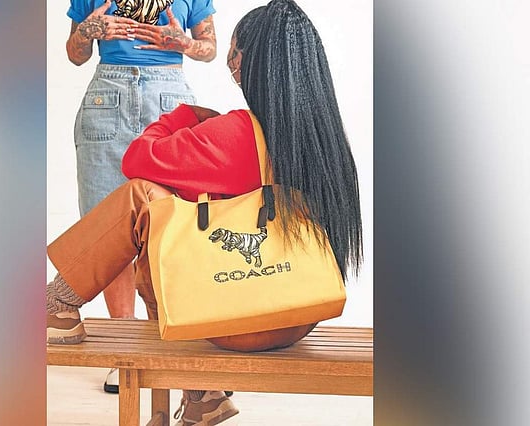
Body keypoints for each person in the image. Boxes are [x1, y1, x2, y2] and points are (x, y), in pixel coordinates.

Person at [47, 0, 363, 423]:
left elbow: (136, 159)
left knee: (142, 197)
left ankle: (57, 304)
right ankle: (202, 398)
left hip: (241, 325)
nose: (230, 65)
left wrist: (182, 116)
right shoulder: (324, 142)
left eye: (234, 54)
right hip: (298, 315)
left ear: (248, 63)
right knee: (179, 225)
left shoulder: (233, 133)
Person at [64, 0, 216, 393]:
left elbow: (210, 48)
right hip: (107, 94)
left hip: (169, 93)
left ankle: (181, 342)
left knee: (180, 226)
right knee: (109, 226)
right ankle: (126, 348)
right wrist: (88, 31)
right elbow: (75, 54)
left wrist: (183, 43)